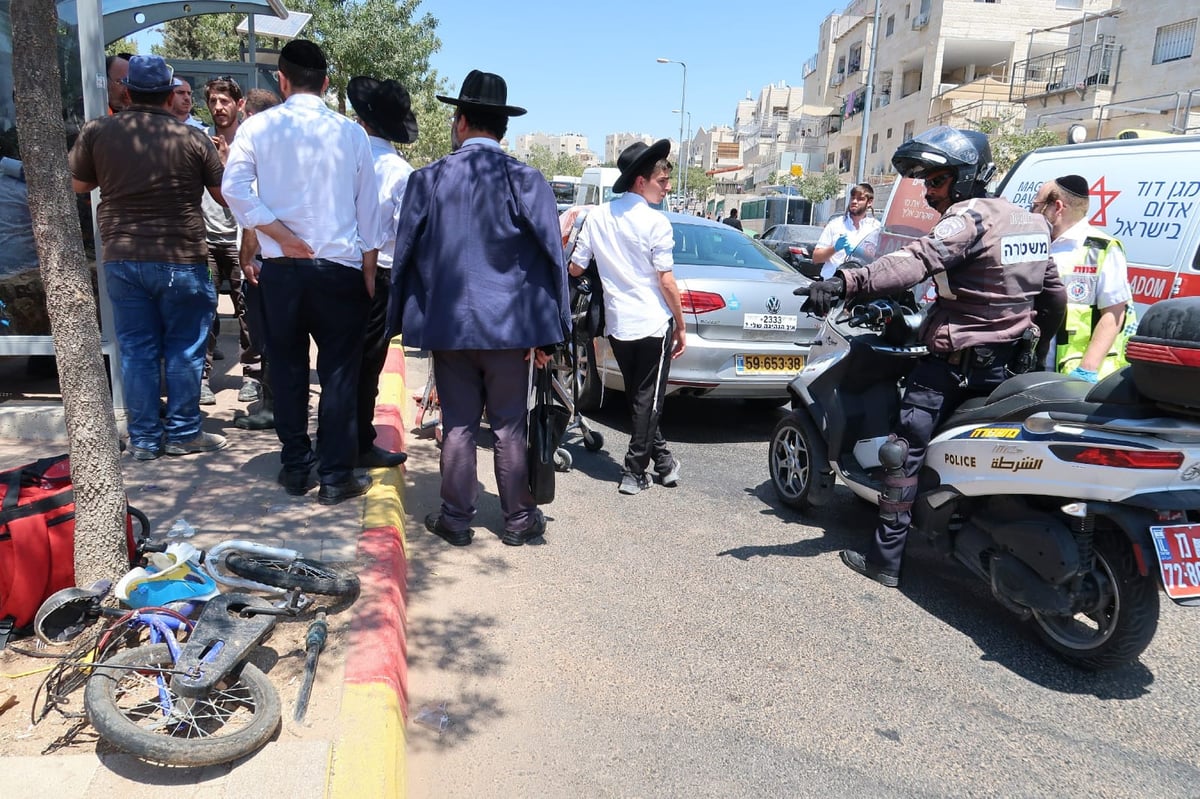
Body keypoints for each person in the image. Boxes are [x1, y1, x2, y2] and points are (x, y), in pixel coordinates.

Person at [805, 126, 1066, 587]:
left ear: (966, 177)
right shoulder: (1032, 223)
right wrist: (1042, 347)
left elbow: (913, 261)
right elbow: (1054, 297)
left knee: (900, 456)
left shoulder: (968, 218)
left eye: (937, 181)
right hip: (1007, 371)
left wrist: (846, 283)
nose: (929, 193)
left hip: (952, 371)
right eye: (925, 183)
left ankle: (885, 562)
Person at [387, 69, 570, 547]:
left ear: (461, 120)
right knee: (509, 424)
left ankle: (455, 519)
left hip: (448, 327)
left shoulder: (428, 179)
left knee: (459, 424)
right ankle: (517, 521)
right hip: (512, 332)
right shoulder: (526, 181)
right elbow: (553, 256)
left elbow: (404, 252)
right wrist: (555, 333)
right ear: (502, 127)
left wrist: (400, 320)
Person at [222, 40, 385, 506]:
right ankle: (335, 476)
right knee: (339, 376)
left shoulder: (258, 127)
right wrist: (369, 269)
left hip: (282, 273)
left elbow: (233, 189)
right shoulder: (351, 134)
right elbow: (368, 210)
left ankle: (296, 467)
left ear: (282, 79)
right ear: (327, 83)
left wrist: (279, 233)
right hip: (340, 272)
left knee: (289, 370)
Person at [69, 55, 228, 459]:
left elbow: (79, 184)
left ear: (127, 90)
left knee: (137, 349)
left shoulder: (97, 132)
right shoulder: (192, 138)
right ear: (168, 93)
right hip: (183, 258)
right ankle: (183, 433)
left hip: (122, 257)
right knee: (185, 347)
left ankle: (143, 440)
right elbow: (224, 195)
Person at [569, 140, 686, 496]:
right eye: (662, 181)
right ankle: (634, 470)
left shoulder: (598, 216)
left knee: (641, 397)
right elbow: (666, 281)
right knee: (648, 399)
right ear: (640, 181)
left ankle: (663, 462)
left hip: (618, 324)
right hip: (652, 323)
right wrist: (681, 325)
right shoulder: (657, 223)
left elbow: (575, 266)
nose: (667, 188)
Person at [348, 75, 417, 469]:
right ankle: (359, 442)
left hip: (339, 268)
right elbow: (405, 234)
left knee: (341, 361)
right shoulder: (399, 171)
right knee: (368, 364)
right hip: (383, 275)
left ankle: (338, 435)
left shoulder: (346, 159)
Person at [1030, 174, 1136, 381]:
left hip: (1073, 374)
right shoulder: (1036, 243)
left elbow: (1113, 314)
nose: (1032, 211)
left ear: (1057, 207)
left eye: (1036, 205)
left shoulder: (1101, 249)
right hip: (1034, 368)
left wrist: (1087, 369)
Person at [198, 76, 258, 406]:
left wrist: (224, 163)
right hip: (207, 243)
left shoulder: (250, 144)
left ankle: (251, 375)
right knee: (204, 310)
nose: (219, 108)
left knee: (247, 311)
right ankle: (202, 377)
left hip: (240, 242)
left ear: (239, 105)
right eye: (213, 102)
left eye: (225, 101)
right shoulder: (200, 142)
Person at [233, 87, 282, 432]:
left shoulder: (258, 150)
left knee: (271, 339)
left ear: (249, 116)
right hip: (292, 260)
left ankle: (271, 408)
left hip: (268, 262)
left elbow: (252, 209)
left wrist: (246, 258)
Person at [812, 182, 881, 279]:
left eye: (860, 199)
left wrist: (858, 252)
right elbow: (816, 258)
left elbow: (879, 260)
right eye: (852, 198)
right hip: (831, 282)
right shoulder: (835, 224)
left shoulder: (876, 228)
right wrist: (835, 248)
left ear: (869, 202)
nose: (854, 201)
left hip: (859, 285)